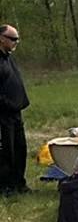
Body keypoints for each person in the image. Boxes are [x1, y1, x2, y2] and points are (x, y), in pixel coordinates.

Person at [0, 24, 30, 195]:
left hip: (16, 113)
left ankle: (20, 182)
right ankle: (6, 186)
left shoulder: (8, 57)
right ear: (1, 38)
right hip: (3, 114)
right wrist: (8, 104)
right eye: (13, 39)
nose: (16, 42)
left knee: (20, 148)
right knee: (7, 151)